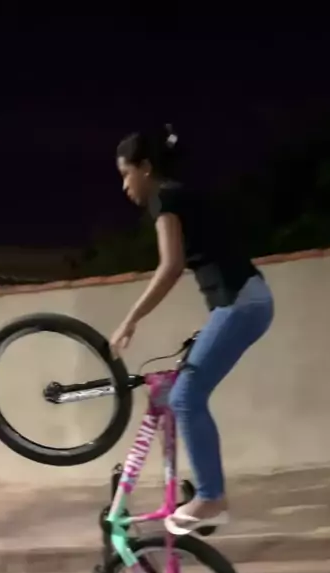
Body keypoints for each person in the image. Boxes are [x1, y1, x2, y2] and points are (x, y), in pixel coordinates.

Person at [111, 124, 274, 536]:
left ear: (145, 168)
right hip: (245, 300)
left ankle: (211, 497)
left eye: (126, 175)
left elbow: (171, 267)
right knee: (182, 387)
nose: (125, 186)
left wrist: (130, 319)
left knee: (185, 397)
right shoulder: (179, 194)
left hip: (240, 303)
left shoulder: (163, 198)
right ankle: (202, 492)